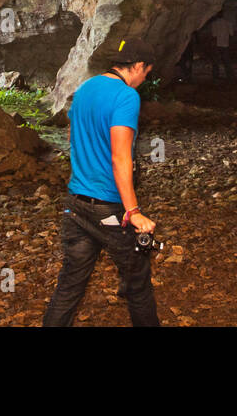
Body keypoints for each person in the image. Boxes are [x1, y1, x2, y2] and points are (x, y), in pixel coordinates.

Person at [42, 41, 160, 326]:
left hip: (76, 205)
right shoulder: (126, 96)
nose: (144, 80)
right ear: (138, 66)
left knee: (70, 286)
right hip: (108, 208)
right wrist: (132, 211)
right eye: (146, 73)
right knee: (138, 285)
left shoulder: (85, 89)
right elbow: (121, 158)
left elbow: (73, 139)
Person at [208, 11, 234, 79]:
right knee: (227, 62)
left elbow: (214, 36)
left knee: (216, 62)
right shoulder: (228, 23)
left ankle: (216, 77)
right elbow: (231, 34)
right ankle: (229, 76)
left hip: (217, 45)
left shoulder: (214, 23)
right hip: (225, 44)